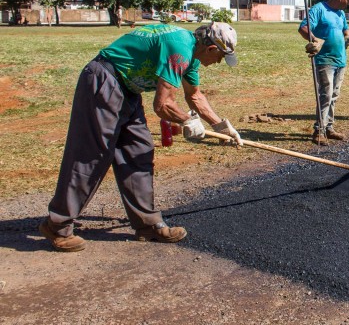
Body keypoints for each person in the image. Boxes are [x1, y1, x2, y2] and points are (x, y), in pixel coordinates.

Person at [39, 22, 243, 252]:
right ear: (212, 49)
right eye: (220, 57)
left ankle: (147, 224)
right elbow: (162, 104)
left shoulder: (192, 56)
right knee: (93, 154)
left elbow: (194, 96)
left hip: (127, 89)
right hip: (104, 79)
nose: (217, 63)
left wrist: (221, 127)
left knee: (139, 151)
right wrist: (187, 120)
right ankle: (57, 225)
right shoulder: (180, 48)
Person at [299, 0, 349, 146]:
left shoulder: (340, 13)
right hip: (325, 60)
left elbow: (346, 29)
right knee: (325, 95)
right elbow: (303, 27)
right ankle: (319, 130)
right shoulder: (319, 9)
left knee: (334, 95)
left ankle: (328, 127)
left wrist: (347, 38)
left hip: (340, 60)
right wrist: (314, 40)